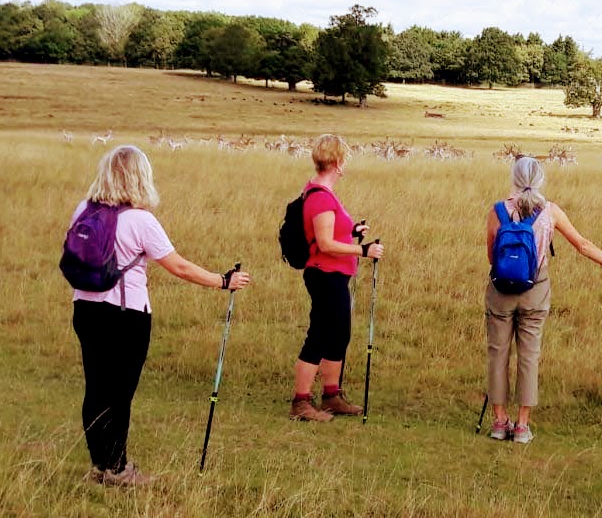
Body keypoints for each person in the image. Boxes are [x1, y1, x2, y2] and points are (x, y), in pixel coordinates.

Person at [70, 145, 251, 486]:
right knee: (120, 392)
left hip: (85, 308)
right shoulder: (140, 220)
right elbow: (179, 267)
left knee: (96, 387)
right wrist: (223, 281)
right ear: (141, 177)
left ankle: (100, 464)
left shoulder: (84, 210)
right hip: (126, 316)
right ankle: (118, 468)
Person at [485, 155, 602, 444]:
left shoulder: (497, 211)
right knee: (529, 356)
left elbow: (491, 255)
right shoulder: (550, 211)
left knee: (498, 354)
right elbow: (582, 245)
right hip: (536, 289)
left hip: (500, 292)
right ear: (540, 179)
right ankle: (521, 426)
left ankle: (498, 423)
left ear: (514, 179)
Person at [290, 134, 383, 421]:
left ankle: (332, 395)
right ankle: (301, 402)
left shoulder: (322, 193)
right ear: (337, 162)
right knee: (319, 334)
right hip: (325, 274)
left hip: (336, 274)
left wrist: (353, 230)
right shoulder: (319, 197)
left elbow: (330, 235)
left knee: (338, 334)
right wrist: (363, 250)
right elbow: (325, 244)